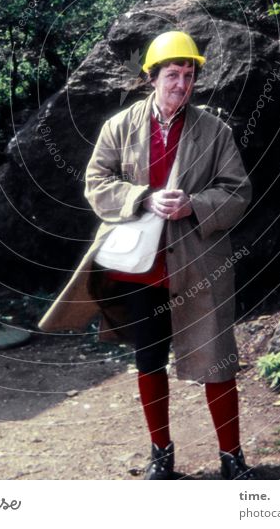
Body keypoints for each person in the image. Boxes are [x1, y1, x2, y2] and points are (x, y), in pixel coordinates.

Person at [38, 30, 253, 480]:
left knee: (217, 360)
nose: (181, 83)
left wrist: (195, 204)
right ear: (151, 77)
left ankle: (232, 459)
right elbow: (96, 183)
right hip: (139, 269)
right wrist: (142, 197)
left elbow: (238, 191)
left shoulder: (216, 131)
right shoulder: (119, 127)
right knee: (149, 361)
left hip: (198, 265)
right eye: (172, 74)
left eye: (189, 74)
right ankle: (162, 453)